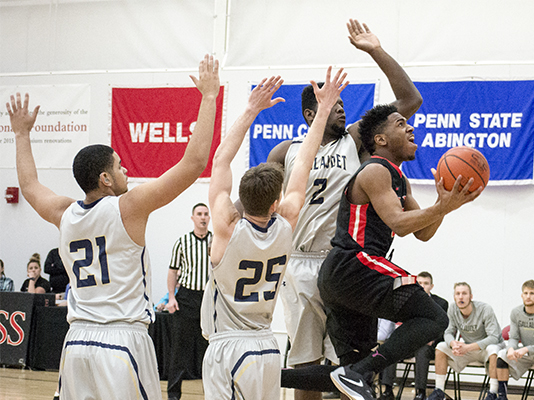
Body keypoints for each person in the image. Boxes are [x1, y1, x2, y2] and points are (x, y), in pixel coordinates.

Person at [8, 54, 219, 399]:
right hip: (121, 340)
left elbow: (29, 186)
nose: (126, 173)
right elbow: (194, 162)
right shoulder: (129, 207)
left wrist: (21, 134)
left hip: (76, 345)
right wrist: (209, 97)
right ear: (105, 178)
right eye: (120, 167)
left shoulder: (64, 212)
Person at [267, 19, 423, 400]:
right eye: (331, 106)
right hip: (299, 262)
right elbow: (255, 198)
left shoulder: (355, 141)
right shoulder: (285, 152)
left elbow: (410, 100)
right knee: (305, 360)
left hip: (346, 263)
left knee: (349, 364)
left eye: (341, 105)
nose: (341, 111)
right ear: (310, 114)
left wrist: (375, 50)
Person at [202, 68, 348, 400]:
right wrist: (323, 110)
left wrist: (251, 109)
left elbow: (221, 159)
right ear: (276, 201)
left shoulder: (225, 226)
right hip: (266, 346)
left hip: (227, 345)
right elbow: (304, 163)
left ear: (238, 198)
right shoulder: (286, 225)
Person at [318, 103, 481, 400]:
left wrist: (444, 205)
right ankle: (362, 372)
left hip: (344, 276)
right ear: (380, 139)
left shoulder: (399, 179)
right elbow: (399, 224)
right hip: (354, 263)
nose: (410, 128)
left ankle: (279, 374)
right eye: (400, 123)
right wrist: (441, 206)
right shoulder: (376, 170)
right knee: (434, 316)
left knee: (349, 374)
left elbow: (424, 232)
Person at [165, 202, 212, 400]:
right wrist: (171, 297)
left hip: (208, 299)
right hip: (186, 298)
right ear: (192, 218)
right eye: (199, 214)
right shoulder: (182, 242)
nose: (203, 217)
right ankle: (173, 395)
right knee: (179, 351)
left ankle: (212, 393)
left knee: (209, 351)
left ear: (209, 218)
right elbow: (173, 271)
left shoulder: (216, 240)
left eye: (206, 214)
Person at [377, 271, 449, 400]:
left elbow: (442, 326)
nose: (422, 286)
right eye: (419, 283)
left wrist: (432, 338)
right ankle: (387, 390)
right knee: (390, 345)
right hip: (409, 341)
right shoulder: (409, 301)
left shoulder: (441, 303)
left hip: (428, 344)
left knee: (422, 350)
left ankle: (420, 391)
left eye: (426, 283)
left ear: (431, 286)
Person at [427, 283, 504, 400]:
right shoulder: (452, 308)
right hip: (467, 349)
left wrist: (467, 347)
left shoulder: (485, 309)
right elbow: (447, 332)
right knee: (441, 346)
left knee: (493, 349)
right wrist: (453, 344)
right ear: (454, 297)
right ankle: (439, 390)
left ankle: (493, 393)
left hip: (484, 350)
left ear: (471, 297)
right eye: (458, 294)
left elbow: (493, 337)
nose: (461, 297)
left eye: (464, 293)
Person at [495, 280, 534, 400]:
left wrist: (526, 349)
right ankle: (502, 396)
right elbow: (514, 337)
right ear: (522, 295)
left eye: (532, 293)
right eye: (526, 293)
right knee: (502, 355)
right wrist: (511, 348)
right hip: (524, 353)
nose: (528, 296)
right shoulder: (515, 312)